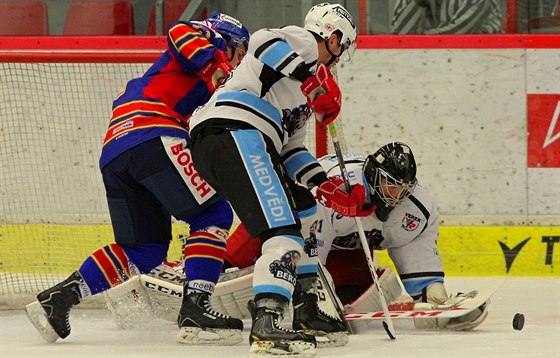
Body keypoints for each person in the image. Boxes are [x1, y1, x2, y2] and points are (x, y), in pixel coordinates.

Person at [25, 13, 250, 345]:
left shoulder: (207, 82)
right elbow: (180, 31)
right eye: (240, 51)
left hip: (117, 151)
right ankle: (196, 309)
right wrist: (217, 54)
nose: (240, 60)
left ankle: (59, 298)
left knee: (145, 249)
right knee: (212, 214)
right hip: (153, 135)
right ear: (226, 40)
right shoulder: (204, 45)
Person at [188, 2, 361, 355]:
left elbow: (290, 151)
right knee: (283, 233)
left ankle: (306, 309)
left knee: (307, 211)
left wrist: (325, 185)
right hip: (236, 130)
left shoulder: (297, 98)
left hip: (238, 140)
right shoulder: (307, 46)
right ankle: (268, 320)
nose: (339, 57)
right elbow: (263, 40)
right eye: (342, 46)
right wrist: (312, 82)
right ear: (333, 35)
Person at [225, 142, 489, 331]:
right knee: (253, 246)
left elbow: (416, 248)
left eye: (404, 188)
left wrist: (432, 291)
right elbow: (309, 242)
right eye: (391, 185)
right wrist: (313, 287)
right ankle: (213, 269)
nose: (397, 195)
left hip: (348, 247)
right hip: (290, 225)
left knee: (352, 298)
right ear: (374, 176)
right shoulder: (337, 188)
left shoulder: (418, 208)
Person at [391, 0, 504, 34]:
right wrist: (418, 3)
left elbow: (459, 34)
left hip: (480, 63)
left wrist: (418, 39)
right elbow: (399, 38)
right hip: (425, 62)